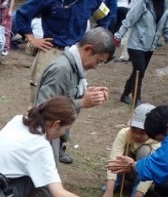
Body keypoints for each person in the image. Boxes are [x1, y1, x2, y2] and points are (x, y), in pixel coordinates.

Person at [35, 27, 114, 166]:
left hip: (54, 134)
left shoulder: (75, 68)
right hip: (44, 137)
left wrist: (87, 94)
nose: (96, 67)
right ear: (87, 50)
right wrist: (81, 102)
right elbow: (43, 108)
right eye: (98, 61)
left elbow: (64, 96)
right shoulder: (62, 69)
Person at [12, 0, 113, 102]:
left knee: (70, 97)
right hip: (51, 51)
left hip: (76, 55)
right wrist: (31, 38)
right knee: (42, 98)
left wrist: (96, 40)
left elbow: (106, 16)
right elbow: (21, 14)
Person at [100, 103, 162, 197]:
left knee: (144, 151)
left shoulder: (156, 142)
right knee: (123, 153)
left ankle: (136, 190)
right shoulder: (124, 133)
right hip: (125, 170)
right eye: (134, 130)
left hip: (141, 171)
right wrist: (109, 191)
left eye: (142, 132)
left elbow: (151, 169)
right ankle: (116, 183)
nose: (137, 135)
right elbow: (114, 159)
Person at [114, 0, 168, 107]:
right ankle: (136, 101)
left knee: (137, 72)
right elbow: (129, 19)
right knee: (139, 71)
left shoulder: (167, 6)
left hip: (150, 45)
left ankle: (124, 95)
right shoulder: (143, 2)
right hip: (136, 43)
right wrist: (118, 36)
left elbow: (167, 26)